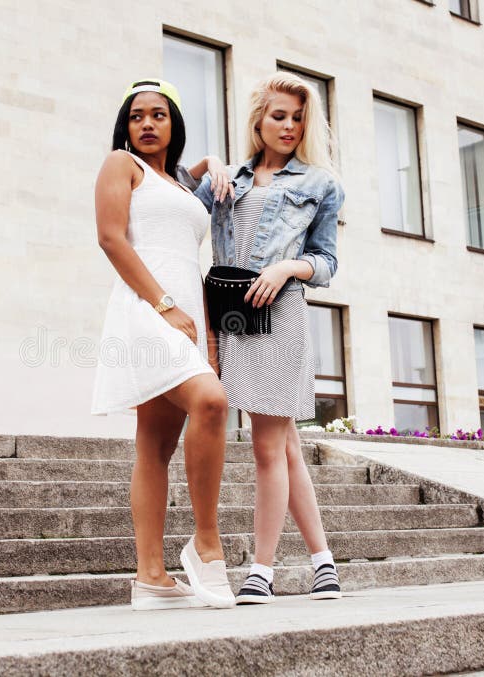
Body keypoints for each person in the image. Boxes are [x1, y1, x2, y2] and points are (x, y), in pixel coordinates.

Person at [184, 72, 345, 604]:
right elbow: (175, 202)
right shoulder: (232, 178)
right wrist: (210, 165)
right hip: (230, 318)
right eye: (279, 116)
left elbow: (326, 263)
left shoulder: (320, 184)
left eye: (299, 118)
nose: (290, 126)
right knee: (286, 445)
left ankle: (262, 570)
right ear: (258, 119)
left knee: (267, 444)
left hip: (279, 316)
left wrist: (288, 268)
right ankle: (324, 564)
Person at [91, 79, 236, 610]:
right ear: (125, 127)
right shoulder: (119, 165)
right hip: (145, 308)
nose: (147, 124)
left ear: (174, 123)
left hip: (184, 315)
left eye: (158, 115)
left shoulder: (172, 183)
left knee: (155, 445)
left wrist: (206, 164)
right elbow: (110, 238)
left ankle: (150, 576)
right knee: (211, 402)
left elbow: (184, 224)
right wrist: (162, 304)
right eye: (136, 116)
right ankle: (206, 542)